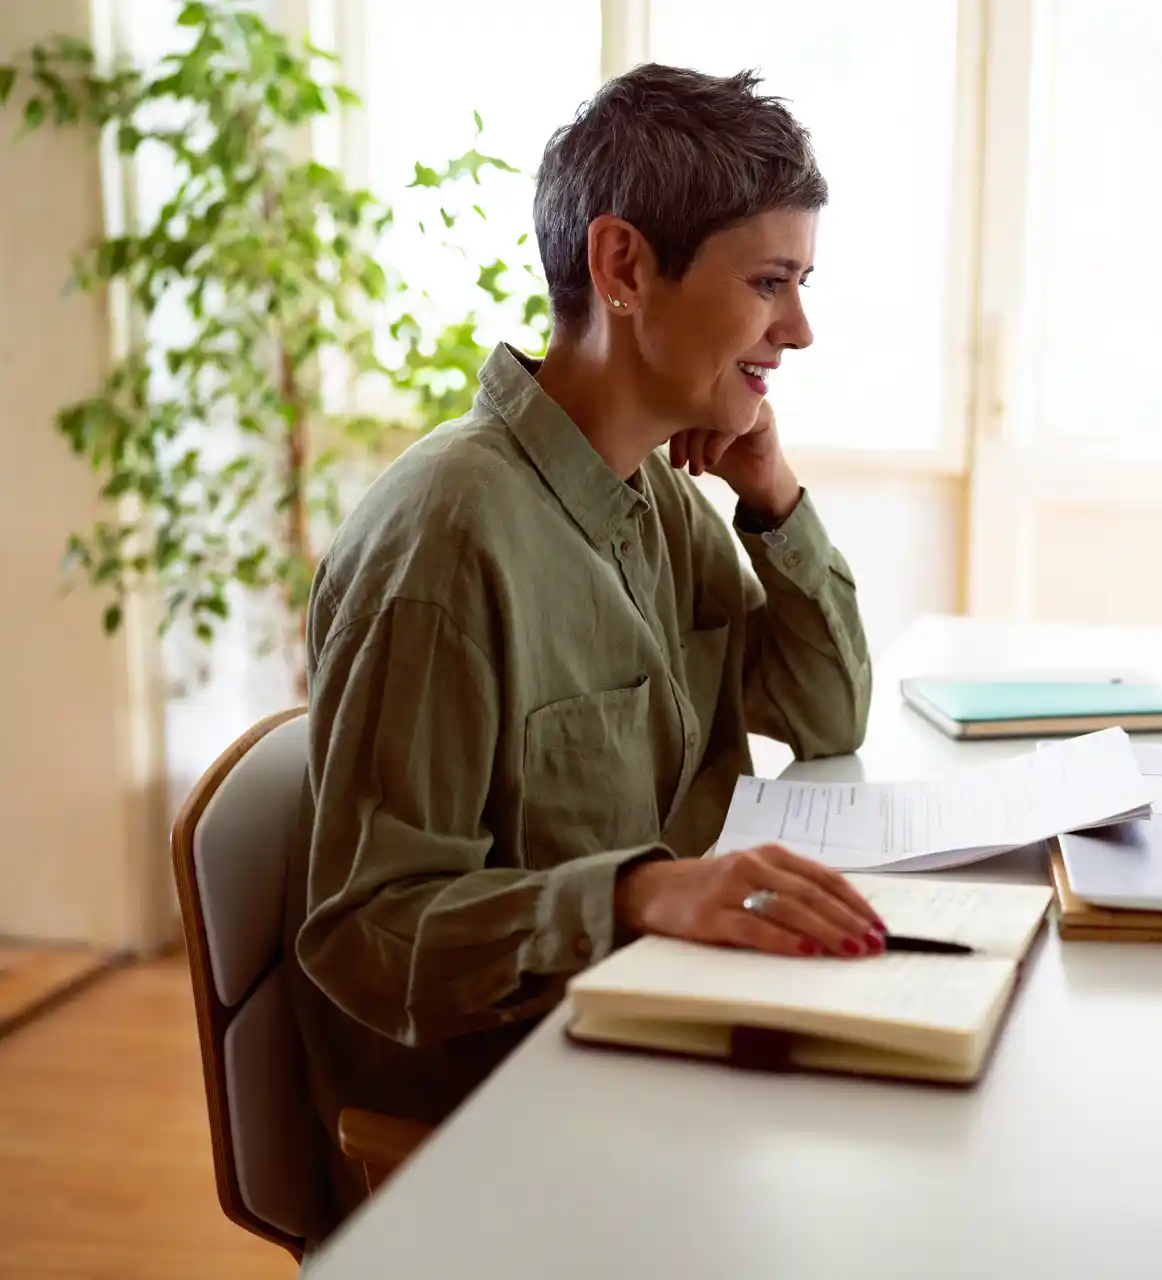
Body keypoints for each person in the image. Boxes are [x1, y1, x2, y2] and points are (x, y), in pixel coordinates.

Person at [283, 64, 882, 1237]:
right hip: (518, 1129)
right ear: (622, 268)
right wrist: (642, 892)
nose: (799, 328)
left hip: (645, 1046)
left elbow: (828, 708)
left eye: (800, 285)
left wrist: (768, 485)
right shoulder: (449, 539)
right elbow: (367, 933)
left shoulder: (648, 496)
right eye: (770, 283)